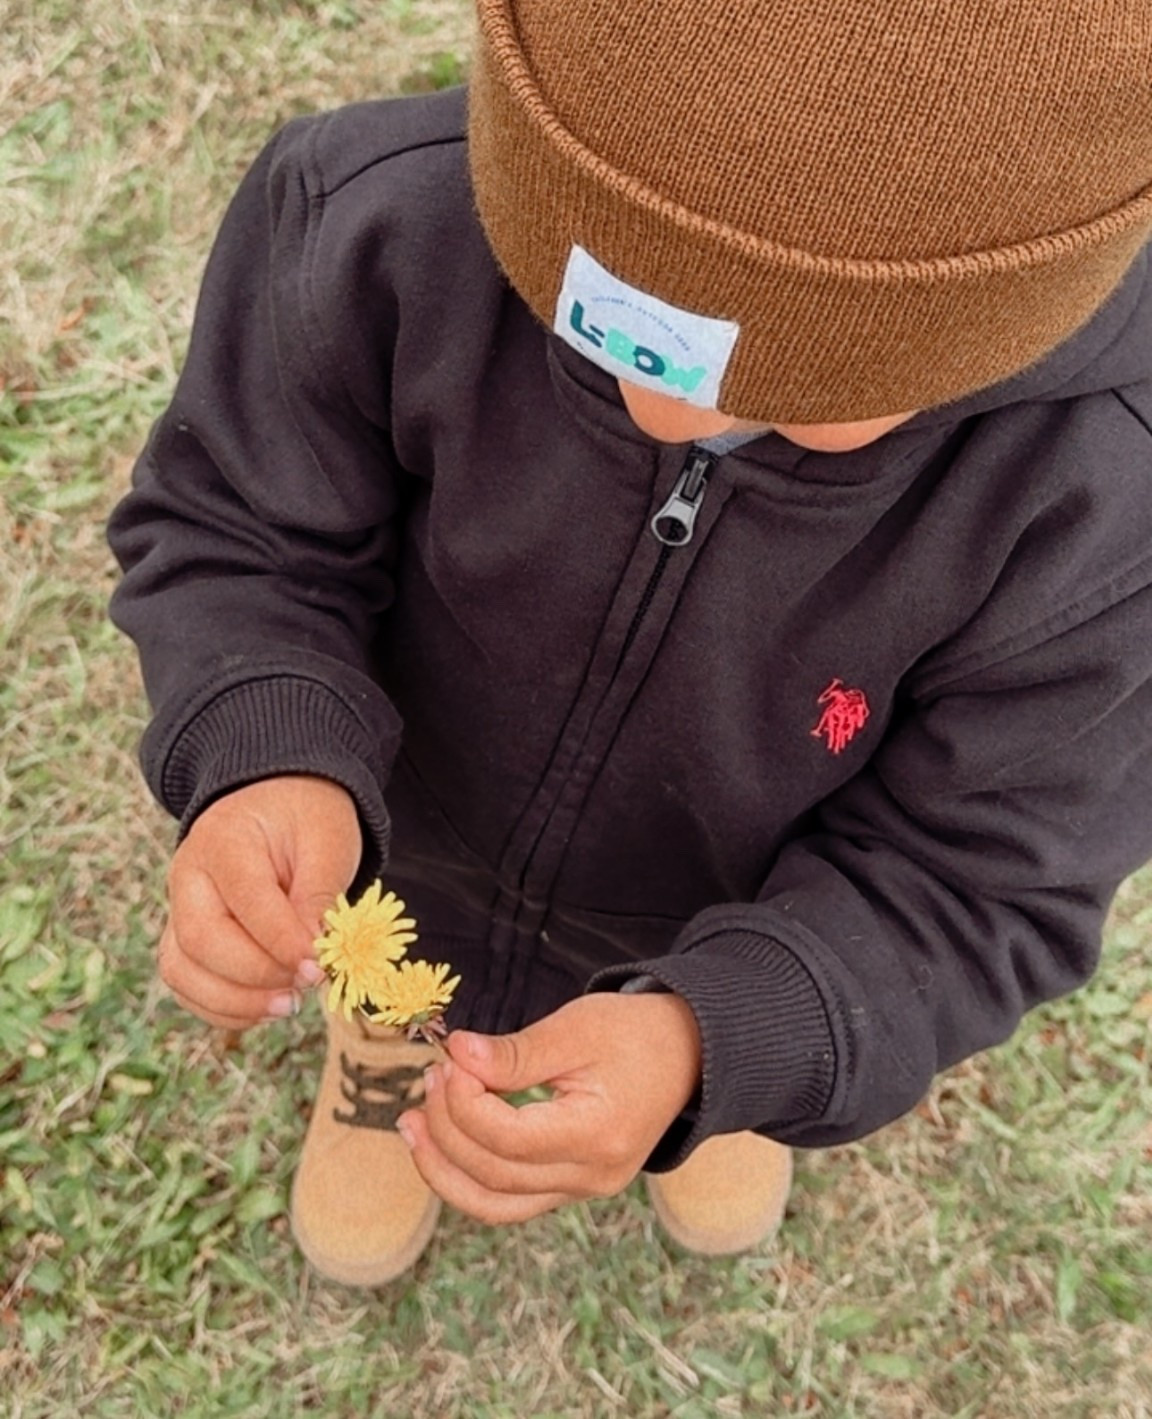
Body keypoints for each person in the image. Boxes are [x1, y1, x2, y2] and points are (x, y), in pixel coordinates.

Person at [107, 0, 1152, 1286]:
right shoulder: (376, 223)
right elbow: (240, 527)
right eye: (596, 306)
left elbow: (977, 876)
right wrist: (267, 750)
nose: (660, 399)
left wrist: (719, 1043)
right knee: (393, 954)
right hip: (410, 853)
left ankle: (700, 1092)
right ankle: (385, 1043)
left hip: (732, 902)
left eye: (797, 378)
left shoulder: (1103, 499)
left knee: (718, 1047)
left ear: (1006, 328)